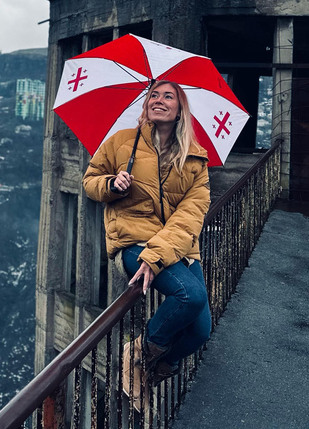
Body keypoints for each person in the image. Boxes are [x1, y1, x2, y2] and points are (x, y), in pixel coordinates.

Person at [82, 80, 211, 408]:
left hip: (175, 247)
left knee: (199, 332)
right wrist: (112, 184)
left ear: (180, 107)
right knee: (190, 295)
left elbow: (189, 216)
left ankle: (150, 369)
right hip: (133, 240)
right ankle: (137, 353)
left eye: (169, 96)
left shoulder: (195, 159)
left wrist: (159, 255)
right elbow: (89, 182)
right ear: (146, 104)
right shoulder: (122, 142)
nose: (159, 99)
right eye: (154, 94)